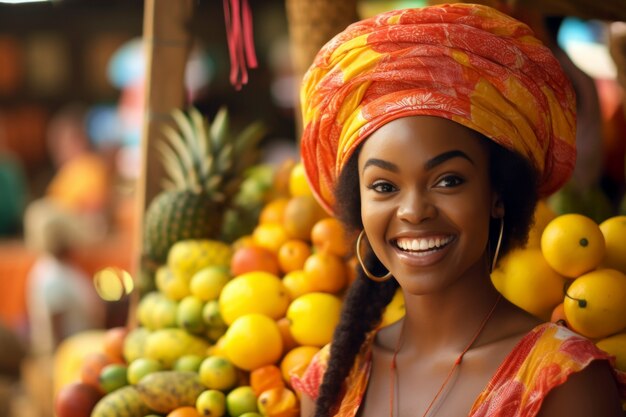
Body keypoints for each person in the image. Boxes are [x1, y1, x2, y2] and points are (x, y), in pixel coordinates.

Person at [291, 4, 626, 417]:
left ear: (497, 193)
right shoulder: (329, 380)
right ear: (358, 204)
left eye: (448, 180)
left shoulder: (564, 382)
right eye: (384, 186)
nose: (413, 210)